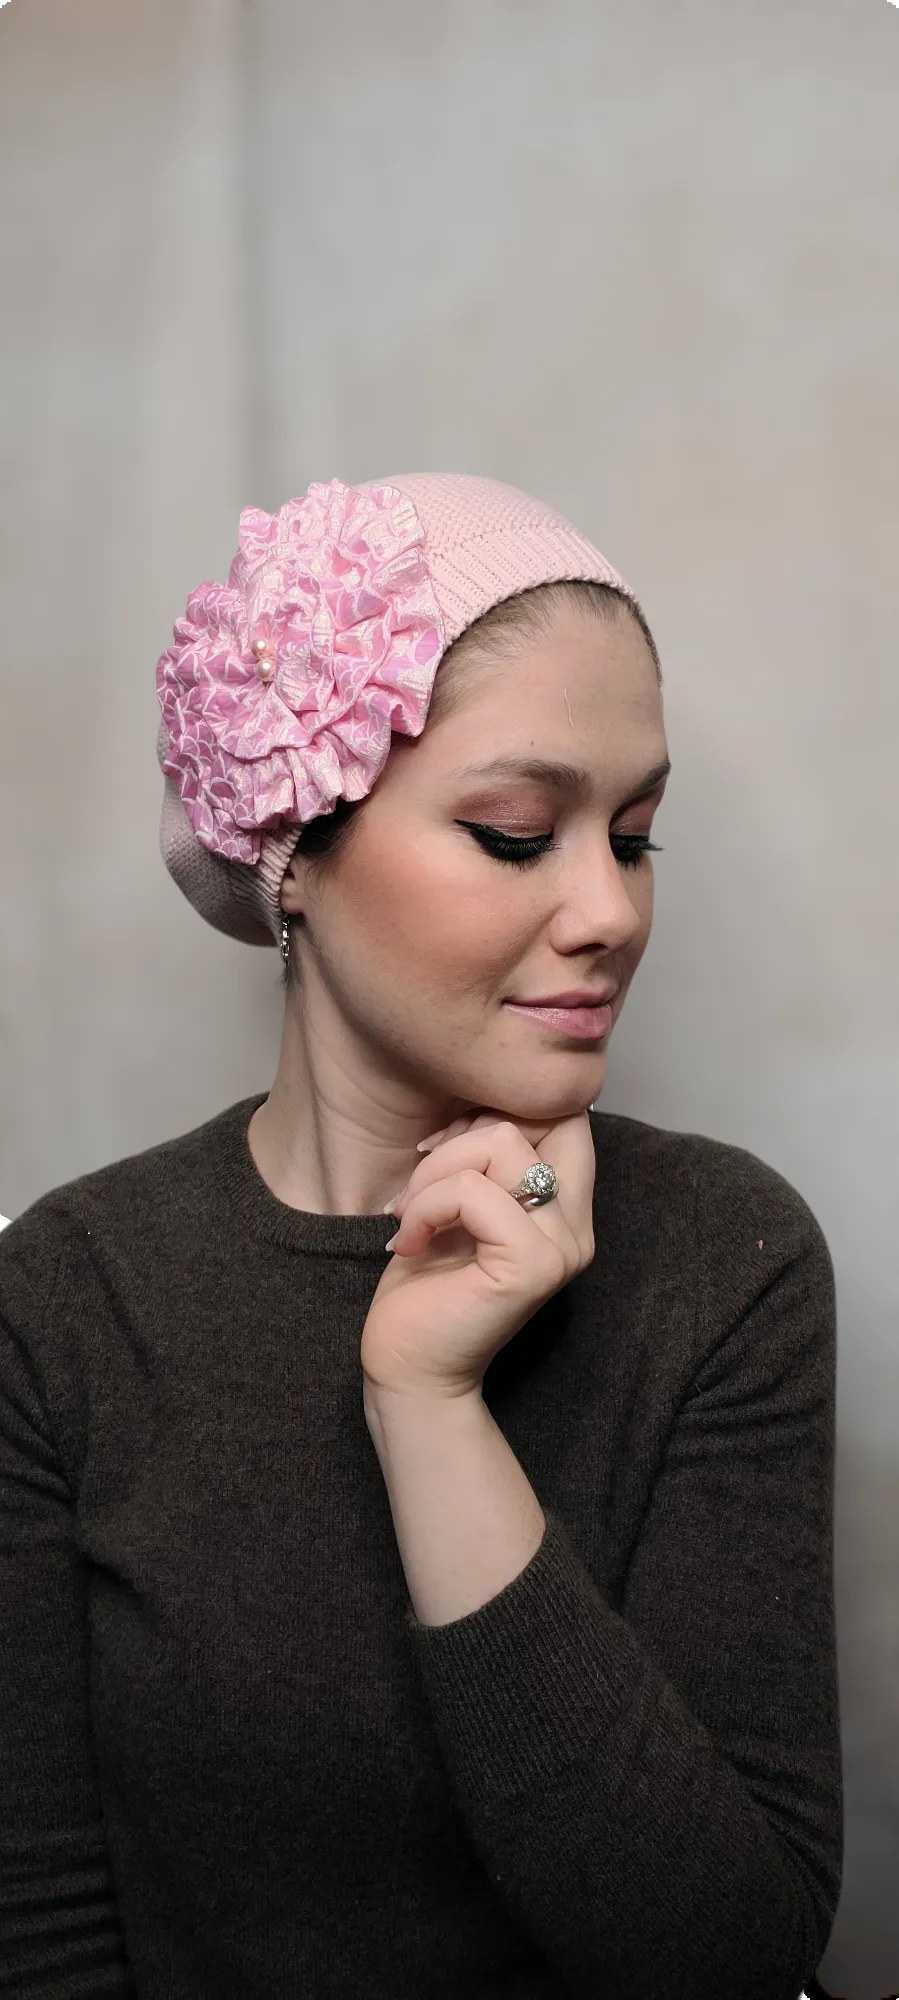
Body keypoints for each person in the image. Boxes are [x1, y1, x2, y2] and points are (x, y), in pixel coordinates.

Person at [0, 474, 842, 1998]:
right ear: (289, 852)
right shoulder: (63, 1301)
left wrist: (428, 1406)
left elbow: (724, 1959)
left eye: (636, 837)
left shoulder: (728, 1258)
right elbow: (41, 1934)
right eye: (517, 834)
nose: (608, 909)